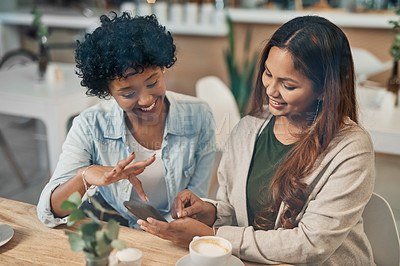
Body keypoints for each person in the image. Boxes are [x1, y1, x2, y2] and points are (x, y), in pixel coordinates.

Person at [138, 15, 375, 265]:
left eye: (288, 85)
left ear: (324, 90)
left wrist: (212, 235)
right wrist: (210, 212)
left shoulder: (351, 149)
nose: (271, 90)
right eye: (268, 73)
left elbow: (311, 245)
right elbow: (236, 211)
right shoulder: (249, 128)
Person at [37, 13, 216, 228]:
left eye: (153, 82)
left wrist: (185, 213)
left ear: (163, 68)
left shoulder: (199, 115)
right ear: (107, 91)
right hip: (115, 224)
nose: (146, 99)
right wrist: (84, 177)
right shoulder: (90, 126)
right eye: (128, 93)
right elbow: (49, 212)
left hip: (172, 228)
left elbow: (198, 196)